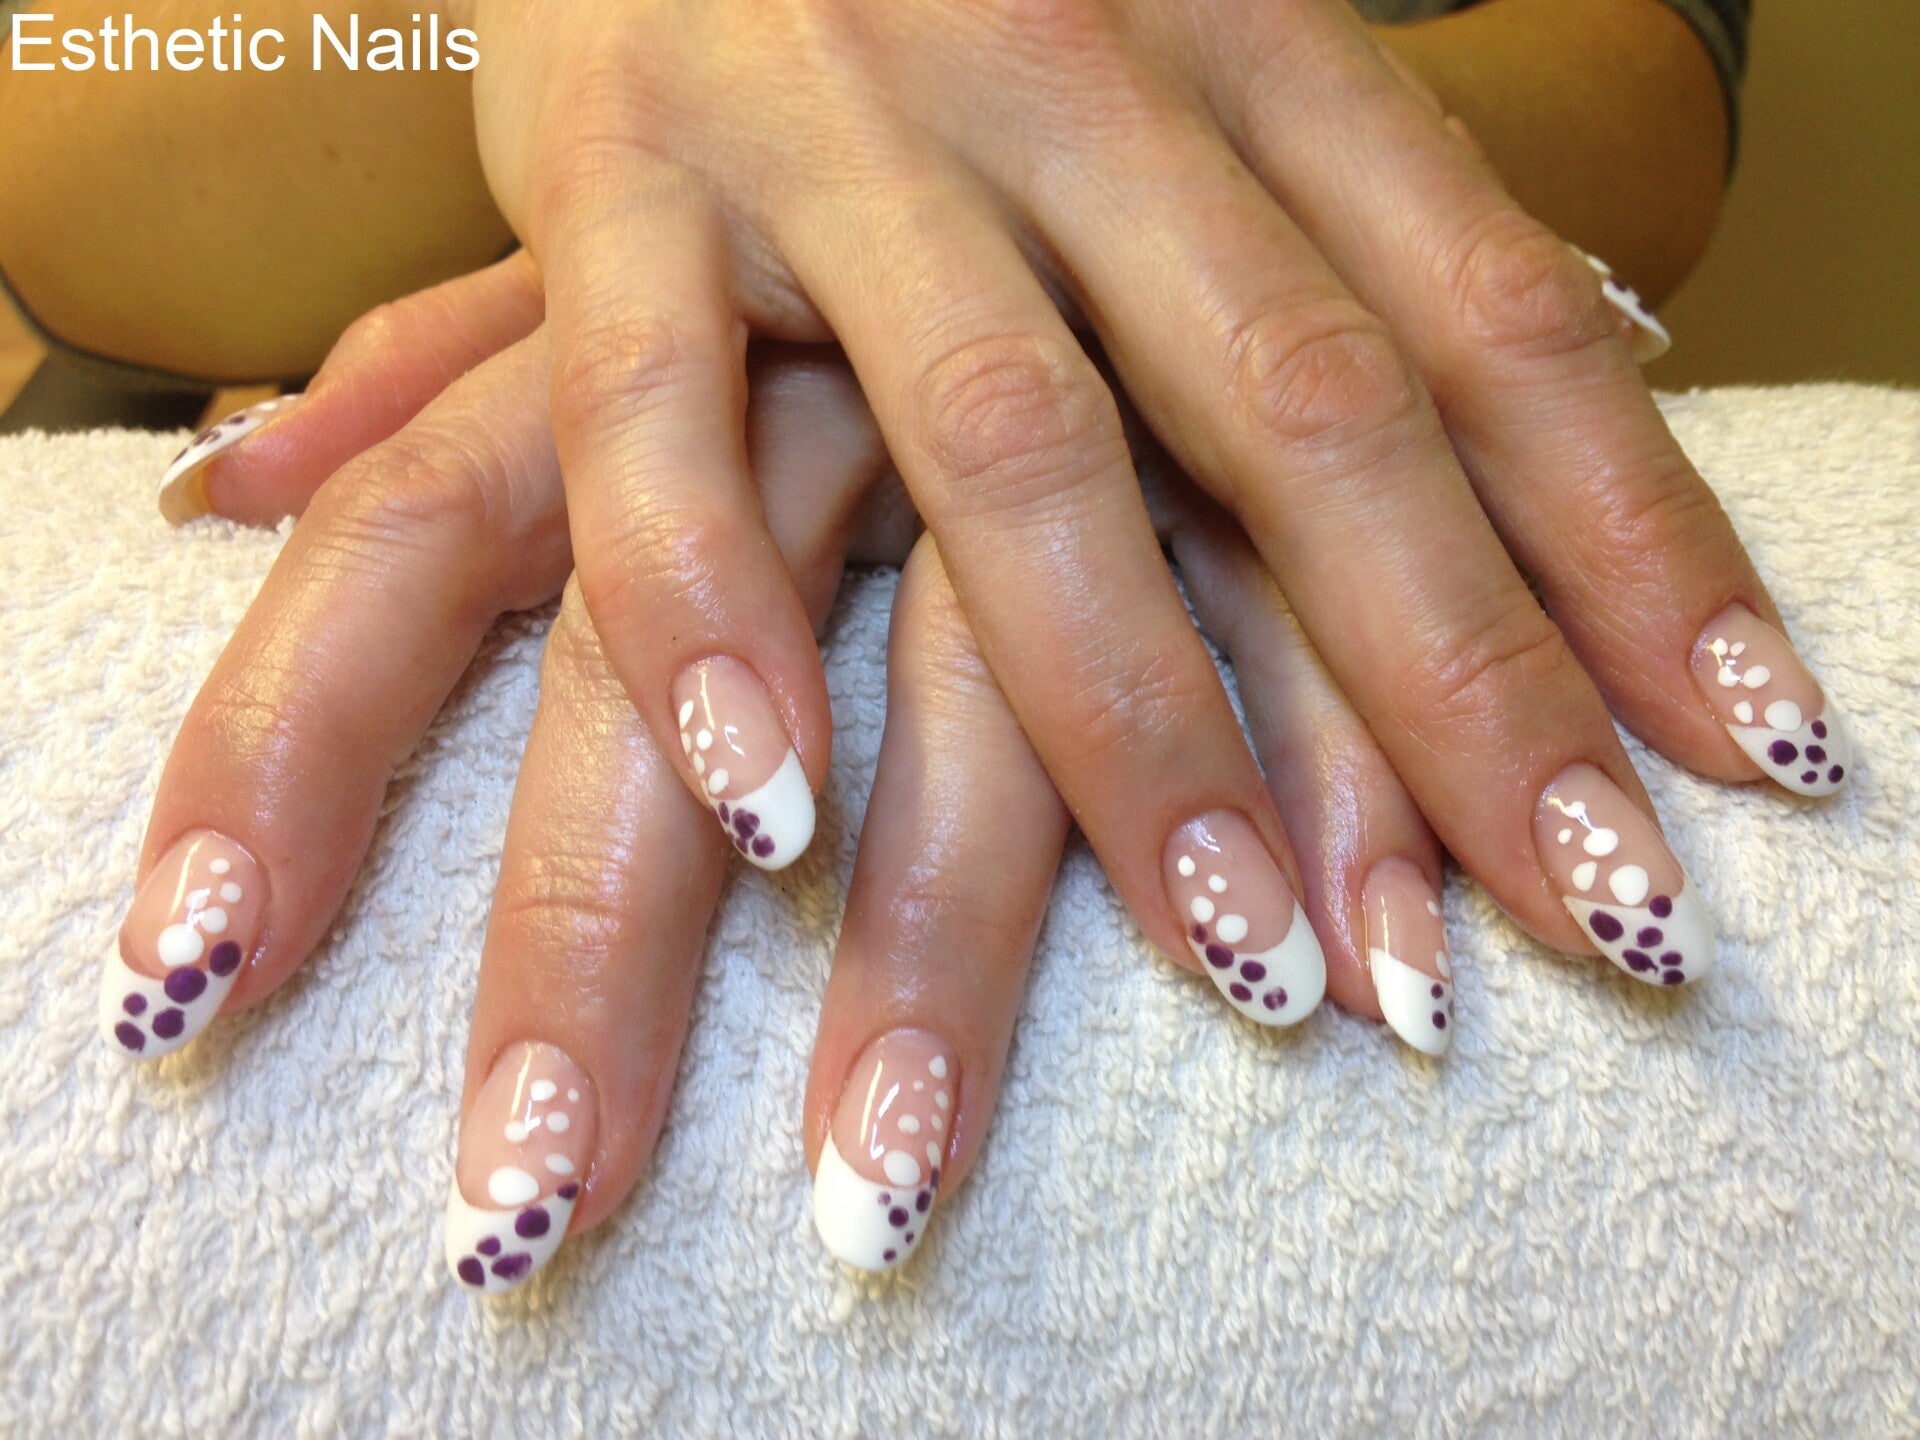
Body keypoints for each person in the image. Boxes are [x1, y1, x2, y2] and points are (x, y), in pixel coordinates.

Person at [5, 0, 1835, 1296]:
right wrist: (605, 47)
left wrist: (1082, 151)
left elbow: (1647, 105)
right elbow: (66, 131)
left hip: (1238, 355)